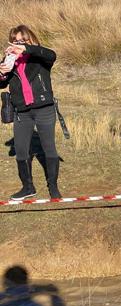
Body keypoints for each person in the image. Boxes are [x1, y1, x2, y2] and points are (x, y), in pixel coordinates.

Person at [0, 25, 62, 200]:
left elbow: (52, 55)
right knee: (20, 150)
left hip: (44, 108)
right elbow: (2, 84)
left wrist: (27, 49)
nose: (18, 44)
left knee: (49, 148)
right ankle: (28, 187)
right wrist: (2, 73)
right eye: (15, 41)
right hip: (21, 111)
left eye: (23, 40)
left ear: (31, 40)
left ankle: (53, 186)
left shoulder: (40, 56)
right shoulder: (9, 59)